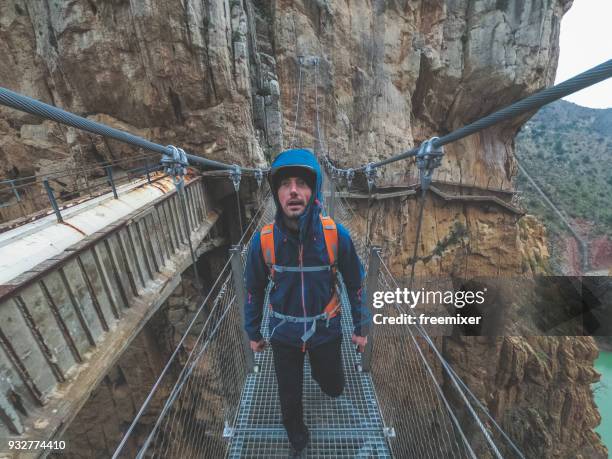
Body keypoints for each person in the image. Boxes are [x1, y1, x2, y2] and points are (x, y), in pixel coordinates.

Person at [244, 148, 367, 457]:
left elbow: (356, 283)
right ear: (276, 193)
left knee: (334, 387)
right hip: (284, 334)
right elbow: (253, 289)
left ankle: (322, 374)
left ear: (313, 191)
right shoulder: (264, 241)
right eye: (285, 184)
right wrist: (254, 331)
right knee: (289, 397)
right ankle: (298, 442)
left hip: (325, 330)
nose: (294, 191)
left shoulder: (335, 236)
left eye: (301, 183)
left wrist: (362, 326)